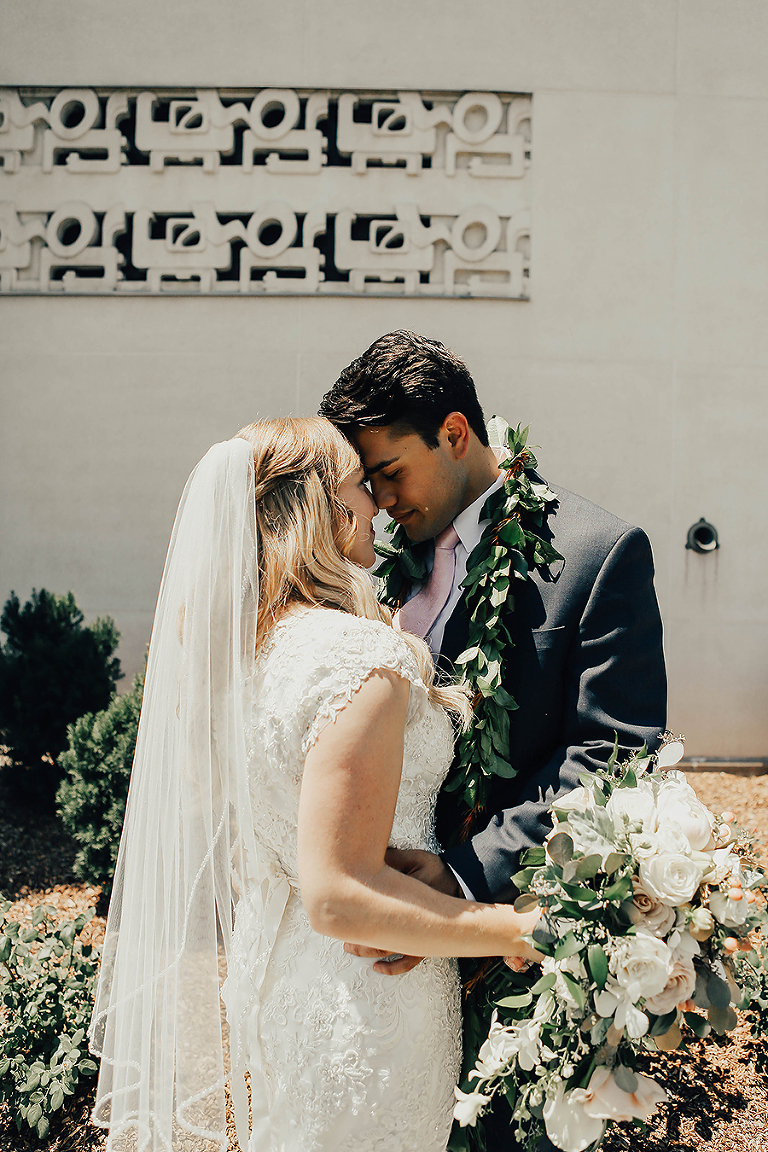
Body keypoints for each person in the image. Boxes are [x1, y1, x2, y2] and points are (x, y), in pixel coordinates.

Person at [88, 417, 542, 1152]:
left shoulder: (246, 655)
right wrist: (509, 929)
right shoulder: (359, 658)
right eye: (360, 485)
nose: (377, 504)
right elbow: (339, 893)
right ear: (321, 510)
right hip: (369, 997)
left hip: (284, 982)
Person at [319, 331, 667, 1147]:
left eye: (390, 471)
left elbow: (611, 756)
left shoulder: (597, 555)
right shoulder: (375, 561)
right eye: (368, 480)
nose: (380, 500)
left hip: (508, 949)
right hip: (369, 948)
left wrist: (462, 877)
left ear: (453, 433)